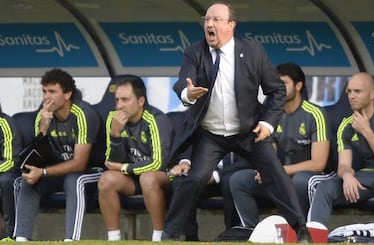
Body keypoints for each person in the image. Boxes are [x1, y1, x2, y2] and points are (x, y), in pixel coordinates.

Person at [162, 2, 311, 242]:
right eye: (206, 19)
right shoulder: (194, 52)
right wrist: (187, 94)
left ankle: (301, 230)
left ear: (231, 25)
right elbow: (182, 82)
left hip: (248, 131)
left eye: (216, 20)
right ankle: (168, 234)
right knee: (194, 179)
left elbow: (276, 91)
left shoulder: (253, 51)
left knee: (275, 173)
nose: (209, 24)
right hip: (210, 134)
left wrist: (268, 124)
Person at [308, 72, 374, 243]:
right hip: (364, 177)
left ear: (372, 94)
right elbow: (343, 164)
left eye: (357, 91)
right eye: (349, 92)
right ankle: (316, 239)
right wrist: (347, 175)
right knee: (324, 187)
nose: (351, 96)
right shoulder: (346, 124)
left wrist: (366, 130)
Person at [229, 62, 335, 228]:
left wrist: (279, 170)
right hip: (282, 175)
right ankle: (251, 231)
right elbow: (269, 150)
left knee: (299, 182)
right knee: (238, 180)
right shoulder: (269, 113)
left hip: (312, 177)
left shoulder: (315, 114)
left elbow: (318, 163)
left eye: (284, 83)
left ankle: (303, 232)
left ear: (298, 85)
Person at [13, 68, 105, 242]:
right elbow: (36, 158)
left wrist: (44, 172)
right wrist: (43, 128)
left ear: (68, 94)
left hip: (92, 171)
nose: (47, 97)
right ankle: (21, 238)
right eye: (44, 91)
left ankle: (71, 240)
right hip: (58, 170)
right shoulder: (44, 115)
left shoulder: (83, 114)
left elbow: (79, 163)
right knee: (24, 181)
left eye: (52, 92)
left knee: (74, 180)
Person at [97, 75, 174, 242]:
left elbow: (159, 163)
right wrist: (116, 134)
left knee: (148, 178)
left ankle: (159, 236)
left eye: (125, 99)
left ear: (140, 101)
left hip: (164, 177)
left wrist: (124, 168)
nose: (119, 105)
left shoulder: (155, 119)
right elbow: (112, 163)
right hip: (133, 178)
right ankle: (114, 237)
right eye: (117, 100)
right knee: (106, 180)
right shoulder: (113, 118)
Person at [0, 104, 21, 241]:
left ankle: (10, 232)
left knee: (6, 181)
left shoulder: (4, 122)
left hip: (6, 170)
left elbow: (11, 160)